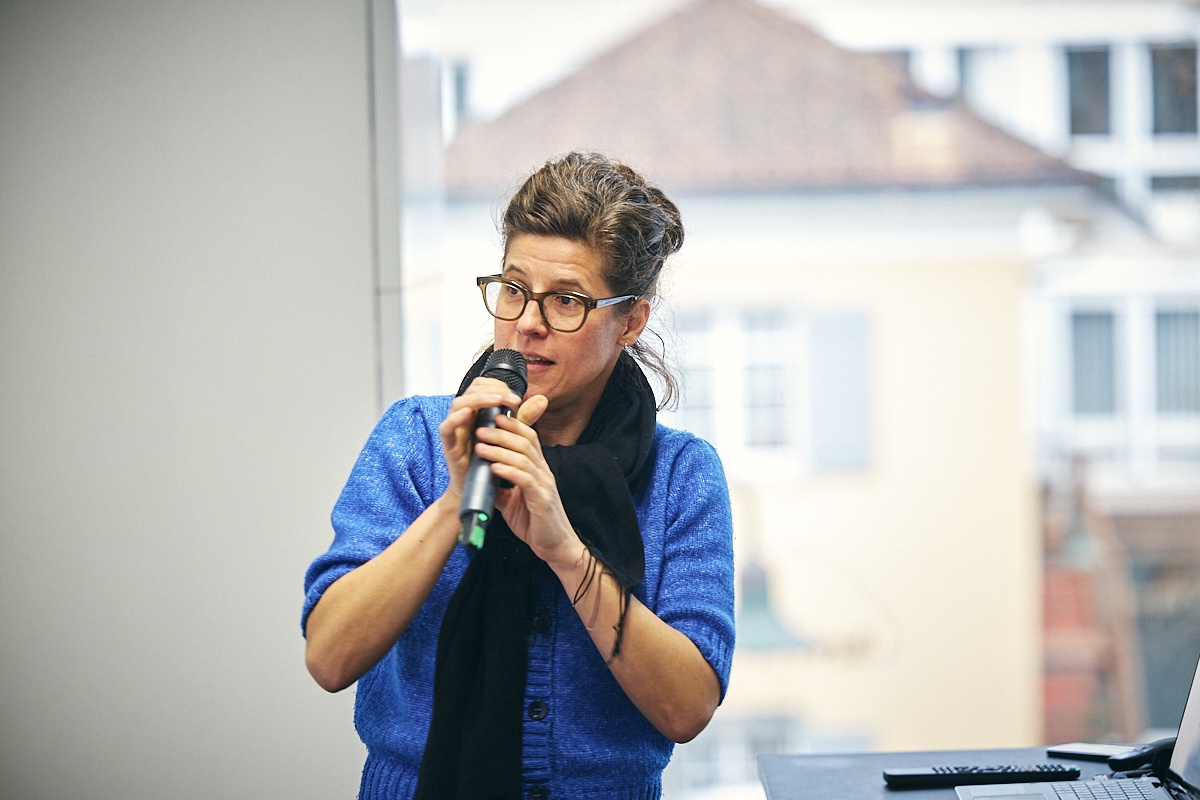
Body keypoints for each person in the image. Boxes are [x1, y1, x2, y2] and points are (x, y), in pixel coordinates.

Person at [302, 151, 735, 799]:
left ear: (630, 321)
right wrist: (457, 498)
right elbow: (330, 658)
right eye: (513, 289)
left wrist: (566, 549)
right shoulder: (416, 438)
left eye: (566, 300)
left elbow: (687, 707)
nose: (528, 323)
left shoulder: (681, 475)